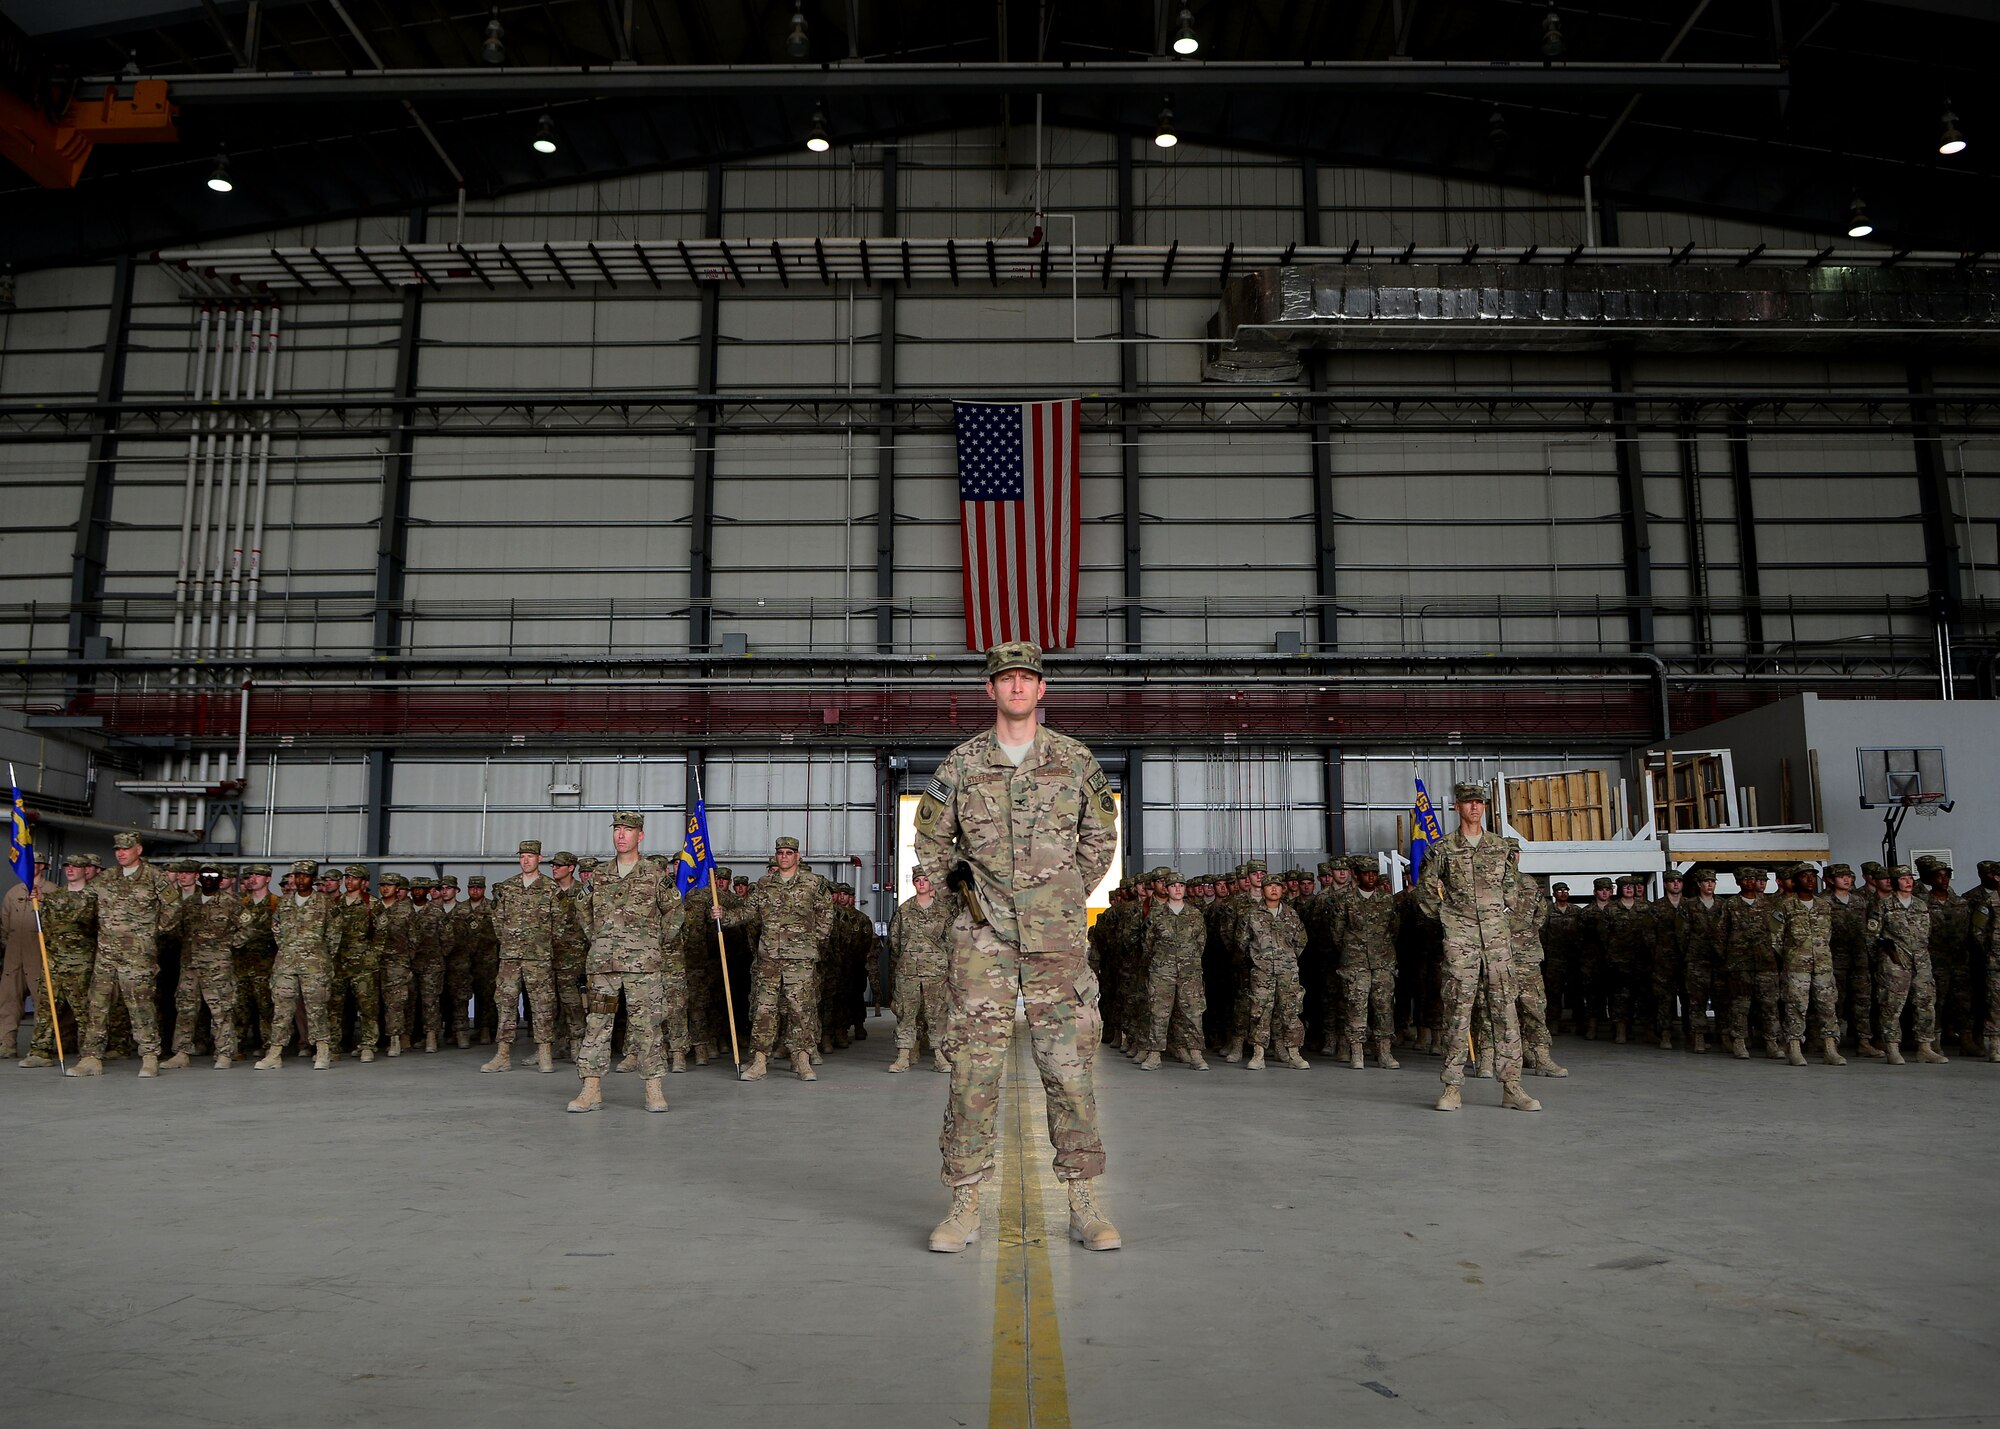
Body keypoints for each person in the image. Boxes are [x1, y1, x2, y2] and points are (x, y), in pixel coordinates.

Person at [914, 640, 1121, 1253]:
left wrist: (1058, 897)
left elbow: (1099, 838)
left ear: (1041, 688)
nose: (1015, 688)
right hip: (984, 944)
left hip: (1057, 943)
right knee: (973, 1073)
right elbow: (931, 843)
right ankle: (965, 1202)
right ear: (991, 689)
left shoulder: (1075, 760)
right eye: (1005, 679)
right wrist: (973, 904)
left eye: (1026, 678)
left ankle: (1084, 1201)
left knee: (1070, 1070)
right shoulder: (961, 764)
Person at [1413, 782, 1541, 1113]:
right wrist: (1448, 920)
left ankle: (1512, 1086)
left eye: (1479, 803)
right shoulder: (1443, 849)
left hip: (1497, 940)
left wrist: (1508, 922)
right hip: (1461, 940)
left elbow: (1516, 890)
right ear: (1457, 807)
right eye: (1468, 802)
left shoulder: (1500, 847)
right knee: (1457, 1010)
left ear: (1484, 807)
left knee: (1505, 1010)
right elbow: (1424, 890)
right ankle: (1452, 1085)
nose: (1474, 807)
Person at [568, 812, 684, 1113]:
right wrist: (598, 937)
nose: (621, 835)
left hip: (643, 967)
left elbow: (675, 911)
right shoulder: (599, 875)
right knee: (597, 1024)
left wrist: (656, 941)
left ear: (640, 836)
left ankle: (653, 1089)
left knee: (648, 1026)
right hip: (604, 967)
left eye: (628, 830)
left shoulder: (655, 874)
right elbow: (581, 907)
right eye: (617, 829)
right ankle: (590, 1089)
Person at [67, 832, 184, 1078]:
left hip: (138, 956)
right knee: (97, 1005)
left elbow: (173, 908)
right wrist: (43, 898)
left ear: (138, 850)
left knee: (140, 1005)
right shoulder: (107, 877)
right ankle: (91, 1057)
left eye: (126, 849)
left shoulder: (155, 877)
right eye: (117, 849)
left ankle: (150, 1055)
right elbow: (82, 902)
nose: (120, 853)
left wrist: (152, 932)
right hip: (106, 954)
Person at [719, 836, 833, 1083]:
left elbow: (826, 915)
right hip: (769, 959)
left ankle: (801, 1059)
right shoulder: (764, 884)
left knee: (801, 1010)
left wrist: (814, 942)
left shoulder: (813, 884)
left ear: (798, 856)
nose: (784, 857)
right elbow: (748, 911)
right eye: (780, 852)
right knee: (763, 1010)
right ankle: (759, 1060)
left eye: (789, 853)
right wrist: (723, 916)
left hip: (800, 960)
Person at [253, 860, 337, 1070]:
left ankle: (323, 1051)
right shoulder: (285, 902)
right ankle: (274, 1053)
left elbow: (334, 934)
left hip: (314, 965)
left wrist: (320, 954)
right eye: (296, 876)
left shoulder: (324, 902)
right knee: (282, 1009)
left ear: (313, 878)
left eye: (305, 876)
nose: (300, 880)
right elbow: (277, 930)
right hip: (286, 964)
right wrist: (289, 949)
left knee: (316, 1009)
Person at [486, 840, 561, 1074]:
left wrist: (542, 946)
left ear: (539, 858)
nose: (526, 860)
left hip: (538, 958)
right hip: (510, 957)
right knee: (505, 1002)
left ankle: (545, 1053)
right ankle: (503, 1054)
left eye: (530, 856)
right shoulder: (507, 888)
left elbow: (559, 925)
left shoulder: (551, 889)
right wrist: (509, 942)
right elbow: (497, 920)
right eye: (522, 856)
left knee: (543, 1005)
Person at [160, 864, 242, 1070]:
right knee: (185, 1009)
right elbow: (177, 929)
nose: (208, 878)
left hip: (217, 965)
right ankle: (181, 1052)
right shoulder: (189, 903)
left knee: (221, 1009)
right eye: (204, 875)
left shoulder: (230, 902)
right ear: (199, 878)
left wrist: (229, 943)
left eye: (213, 875)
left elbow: (249, 927)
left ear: (220, 878)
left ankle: (224, 1052)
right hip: (190, 964)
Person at [1868, 864, 1947, 1066]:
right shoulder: (1882, 905)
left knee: (1925, 1004)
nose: (1908, 881)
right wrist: (1886, 958)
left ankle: (1925, 1047)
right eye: (1903, 878)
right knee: (1891, 1006)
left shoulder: (1921, 905)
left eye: (1910, 877)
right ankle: (1892, 1047)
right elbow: (1871, 937)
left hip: (1921, 962)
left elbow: (1928, 933)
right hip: (1895, 962)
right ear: (1894, 882)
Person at [20, 855, 94, 1068]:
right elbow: (46, 926)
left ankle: (89, 1054)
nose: (70, 870)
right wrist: (39, 903)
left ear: (85, 869)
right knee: (45, 1007)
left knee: (83, 1010)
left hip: (80, 964)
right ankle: (40, 1050)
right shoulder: (55, 896)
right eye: (67, 866)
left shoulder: (93, 896)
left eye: (75, 866)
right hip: (54, 961)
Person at [1770, 864, 1845, 1066]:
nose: (1810, 880)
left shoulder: (1824, 906)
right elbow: (1776, 939)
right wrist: (1792, 956)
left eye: (1813, 876)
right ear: (1795, 881)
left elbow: (1828, 935)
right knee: (1796, 1006)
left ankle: (1830, 1048)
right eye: (1804, 876)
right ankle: (1794, 1047)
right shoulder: (1785, 906)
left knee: (1827, 1006)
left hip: (1823, 966)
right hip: (1796, 966)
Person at [1136, 869, 1207, 1072]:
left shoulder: (1194, 915)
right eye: (1173, 885)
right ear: (1166, 889)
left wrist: (1188, 961)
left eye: (1181, 885)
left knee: (1193, 1012)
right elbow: (1147, 944)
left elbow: (1201, 943)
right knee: (1158, 1012)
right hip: (1162, 971)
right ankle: (1154, 1054)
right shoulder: (1156, 915)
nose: (1177, 888)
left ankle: (1196, 1054)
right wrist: (1161, 962)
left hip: (1190, 972)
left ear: (1185, 889)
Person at [886, 870, 957, 1073]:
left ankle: (940, 1057)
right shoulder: (905, 909)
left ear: (933, 883)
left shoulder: (944, 911)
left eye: (926, 880)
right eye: (918, 880)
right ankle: (903, 1056)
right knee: (906, 1014)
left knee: (936, 1015)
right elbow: (895, 941)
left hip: (936, 972)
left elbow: (952, 942)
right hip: (908, 972)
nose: (922, 883)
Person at [1336, 856, 1401, 1071]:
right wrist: (1352, 951)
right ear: (1356, 875)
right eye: (1366, 872)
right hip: (1355, 963)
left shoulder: (1386, 899)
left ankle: (1384, 1052)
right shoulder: (1346, 900)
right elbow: (1337, 931)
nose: (1371, 876)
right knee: (1356, 1007)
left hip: (1382, 961)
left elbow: (1394, 928)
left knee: (1384, 1007)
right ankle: (1357, 1052)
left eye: (1374, 872)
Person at [328, 864, 381, 1064]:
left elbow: (381, 934)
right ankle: (333, 1045)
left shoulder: (372, 904)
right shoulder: (334, 903)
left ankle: (368, 1045)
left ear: (364, 882)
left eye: (354, 878)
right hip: (338, 963)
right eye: (347, 877)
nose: (349, 881)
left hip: (363, 966)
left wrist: (373, 956)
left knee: (367, 1007)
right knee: (335, 1007)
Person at [1, 857, 47, 1058]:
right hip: (14, 954)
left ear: (42, 866)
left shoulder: (52, 892)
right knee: (8, 1000)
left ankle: (40, 1047)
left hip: (38, 955)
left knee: (42, 1002)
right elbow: (4, 926)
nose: (31, 866)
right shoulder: (13, 892)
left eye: (36, 863)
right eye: (28, 862)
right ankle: (6, 1043)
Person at [374, 872, 418, 1055]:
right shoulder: (373, 908)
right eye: (383, 885)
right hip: (374, 962)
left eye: (390, 885)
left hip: (397, 962)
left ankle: (395, 1039)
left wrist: (406, 960)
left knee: (395, 1003)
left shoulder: (406, 910)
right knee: (373, 1003)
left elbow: (414, 938)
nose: (385, 888)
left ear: (397, 888)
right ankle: (373, 1040)